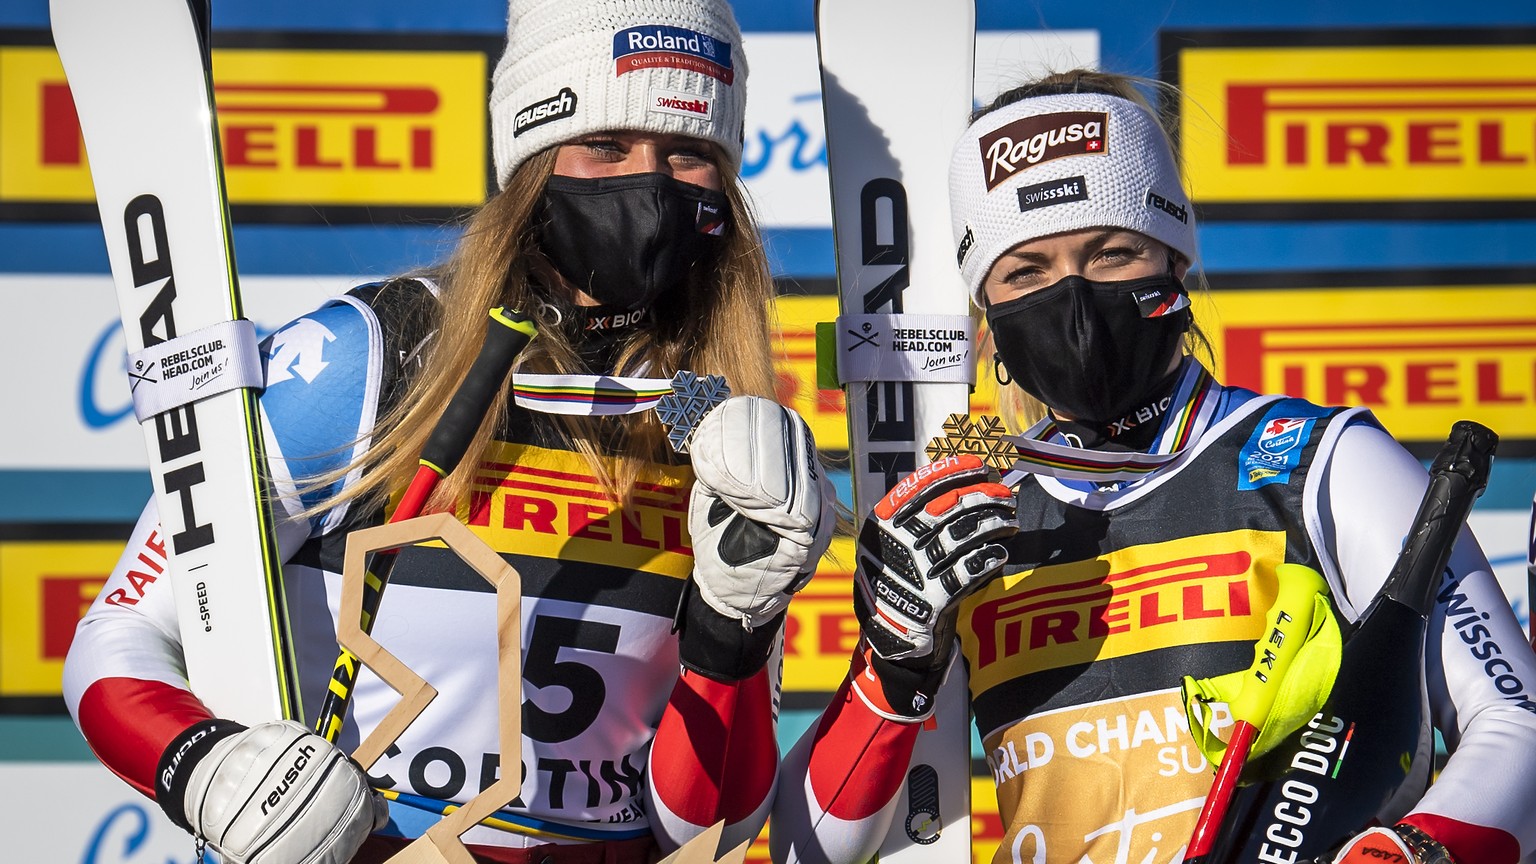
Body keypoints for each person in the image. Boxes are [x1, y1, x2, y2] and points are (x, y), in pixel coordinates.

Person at [63, 1, 837, 862]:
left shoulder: (729, 433)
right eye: (607, 146)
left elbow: (709, 829)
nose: (648, 184)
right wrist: (208, 771)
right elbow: (119, 637)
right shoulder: (374, 355)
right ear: (534, 158)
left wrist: (735, 635)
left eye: (687, 153)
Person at [769, 69, 1536, 864]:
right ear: (986, 310)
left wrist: (1402, 854)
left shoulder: (1322, 461)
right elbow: (804, 845)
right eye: (1026, 272)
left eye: (1110, 253)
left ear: (1175, 263)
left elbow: (1517, 725)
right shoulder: (975, 520)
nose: (1073, 302)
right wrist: (898, 667)